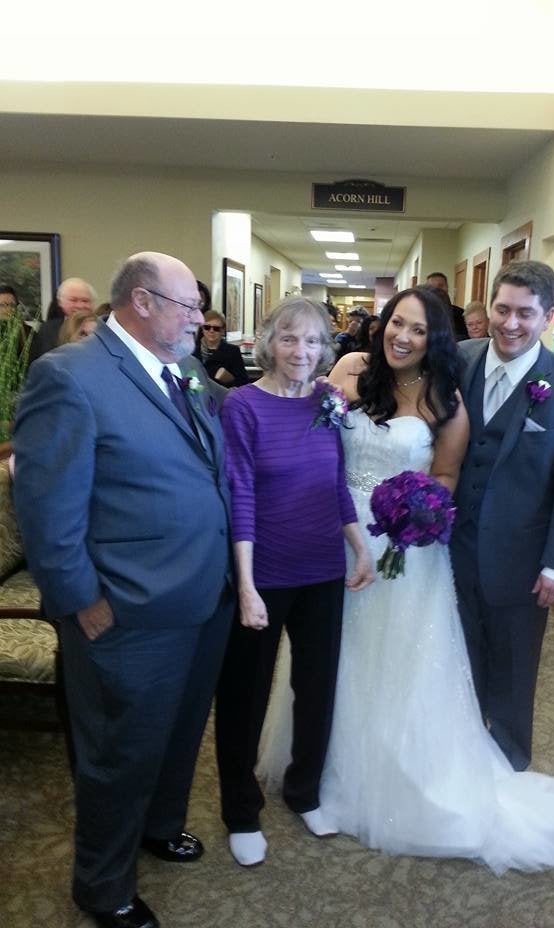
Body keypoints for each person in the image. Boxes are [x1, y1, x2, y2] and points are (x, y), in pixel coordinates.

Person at [259, 287, 554, 873]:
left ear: (435, 340)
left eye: (419, 330)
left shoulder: (447, 398)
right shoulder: (349, 371)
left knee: (397, 667)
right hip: (333, 540)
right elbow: (305, 431)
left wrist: (415, 516)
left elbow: (447, 476)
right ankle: (314, 767)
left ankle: (391, 779)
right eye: (397, 323)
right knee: (330, 661)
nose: (403, 336)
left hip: (404, 553)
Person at [13, 252, 234, 928]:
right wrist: (81, 599)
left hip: (202, 597)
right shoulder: (69, 376)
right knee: (119, 753)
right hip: (126, 611)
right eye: (188, 305)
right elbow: (47, 508)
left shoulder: (186, 372)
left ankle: (159, 825)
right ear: (142, 302)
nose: (200, 318)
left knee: (175, 735)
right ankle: (102, 885)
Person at [215, 297, 374, 869]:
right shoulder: (243, 405)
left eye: (311, 342)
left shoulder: (328, 400)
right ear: (268, 343)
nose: (301, 352)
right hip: (267, 573)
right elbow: (241, 494)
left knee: (317, 687)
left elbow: (335, 483)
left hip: (323, 569)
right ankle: (239, 809)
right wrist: (248, 584)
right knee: (245, 694)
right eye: (289, 339)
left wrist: (359, 548)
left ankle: (304, 790)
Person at [451, 260, 554, 772]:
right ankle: (459, 757)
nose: (510, 324)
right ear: (489, 306)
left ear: (546, 318)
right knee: (455, 660)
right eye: (502, 309)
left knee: (513, 671)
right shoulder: (460, 359)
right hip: (450, 547)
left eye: (525, 314)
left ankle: (509, 764)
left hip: (521, 559)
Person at [28, 276, 96, 362]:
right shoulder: (46, 330)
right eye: (73, 300)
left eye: (85, 301)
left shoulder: (103, 328)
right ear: (60, 302)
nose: (80, 306)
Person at [192, 309, 250, 388]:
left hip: (222, 397)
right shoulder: (192, 350)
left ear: (222, 331)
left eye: (216, 328)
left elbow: (243, 382)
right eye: (207, 327)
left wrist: (229, 380)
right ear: (202, 329)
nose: (211, 331)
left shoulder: (232, 352)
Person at [425, 271, 469, 341]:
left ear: (447, 288)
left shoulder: (461, 314)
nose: (436, 290)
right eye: (431, 287)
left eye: (440, 286)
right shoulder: (420, 315)